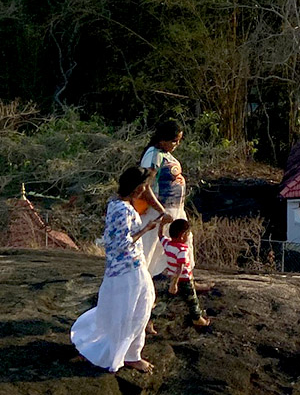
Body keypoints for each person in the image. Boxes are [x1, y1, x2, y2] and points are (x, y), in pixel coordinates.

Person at [71, 167, 165, 373]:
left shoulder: (116, 203)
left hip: (120, 267)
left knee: (130, 308)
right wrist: (146, 229)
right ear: (138, 188)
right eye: (143, 187)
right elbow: (123, 242)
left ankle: (127, 351)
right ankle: (130, 355)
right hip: (129, 266)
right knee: (138, 308)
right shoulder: (123, 210)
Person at [139, 120, 188, 278]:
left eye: (179, 140)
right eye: (174, 141)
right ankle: (143, 285)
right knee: (151, 249)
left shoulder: (165, 155)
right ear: (163, 139)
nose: (177, 144)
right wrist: (161, 212)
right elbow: (145, 186)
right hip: (159, 211)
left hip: (175, 209)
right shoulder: (153, 155)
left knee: (181, 247)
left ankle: (184, 281)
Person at [159, 218, 211, 327]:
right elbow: (180, 266)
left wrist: (162, 224)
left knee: (165, 300)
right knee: (193, 301)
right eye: (187, 233)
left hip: (172, 277)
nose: (188, 236)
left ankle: (151, 319)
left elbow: (160, 236)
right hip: (185, 280)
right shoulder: (182, 249)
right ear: (183, 235)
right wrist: (175, 283)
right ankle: (197, 318)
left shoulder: (168, 244)